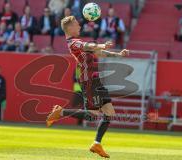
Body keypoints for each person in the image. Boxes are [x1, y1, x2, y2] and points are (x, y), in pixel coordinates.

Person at [46, 16, 129, 158]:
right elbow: (90, 46)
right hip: (88, 80)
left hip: (95, 79)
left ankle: (97, 143)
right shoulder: (73, 43)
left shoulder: (79, 42)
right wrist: (102, 45)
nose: (79, 27)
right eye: (77, 25)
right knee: (93, 114)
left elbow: (97, 52)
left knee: (109, 112)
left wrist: (118, 54)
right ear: (70, 28)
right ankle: (61, 113)